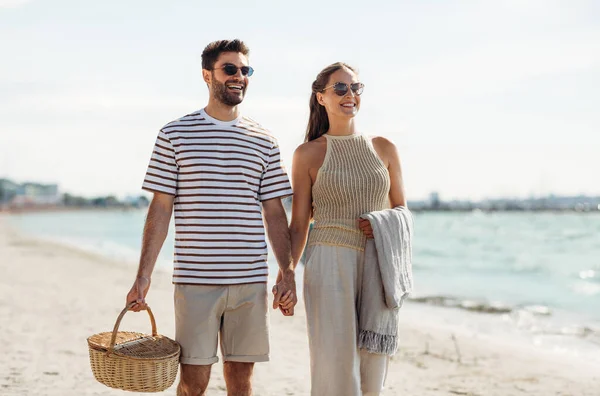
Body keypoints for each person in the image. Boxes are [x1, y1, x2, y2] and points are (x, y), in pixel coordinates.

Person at [125, 39, 297, 396]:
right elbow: (160, 208)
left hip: (250, 280)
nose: (239, 76)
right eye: (229, 69)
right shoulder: (174, 134)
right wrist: (143, 275)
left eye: (245, 70)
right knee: (193, 382)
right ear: (207, 75)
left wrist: (287, 270)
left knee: (241, 380)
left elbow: (275, 213)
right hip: (194, 281)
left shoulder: (264, 140)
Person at [288, 62, 407, 396]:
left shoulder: (384, 147)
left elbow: (401, 210)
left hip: (377, 265)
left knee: (373, 363)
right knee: (335, 365)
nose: (349, 95)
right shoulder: (307, 154)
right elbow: (299, 224)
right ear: (321, 97)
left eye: (355, 87)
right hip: (328, 263)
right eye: (339, 88)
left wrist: (384, 224)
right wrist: (286, 274)